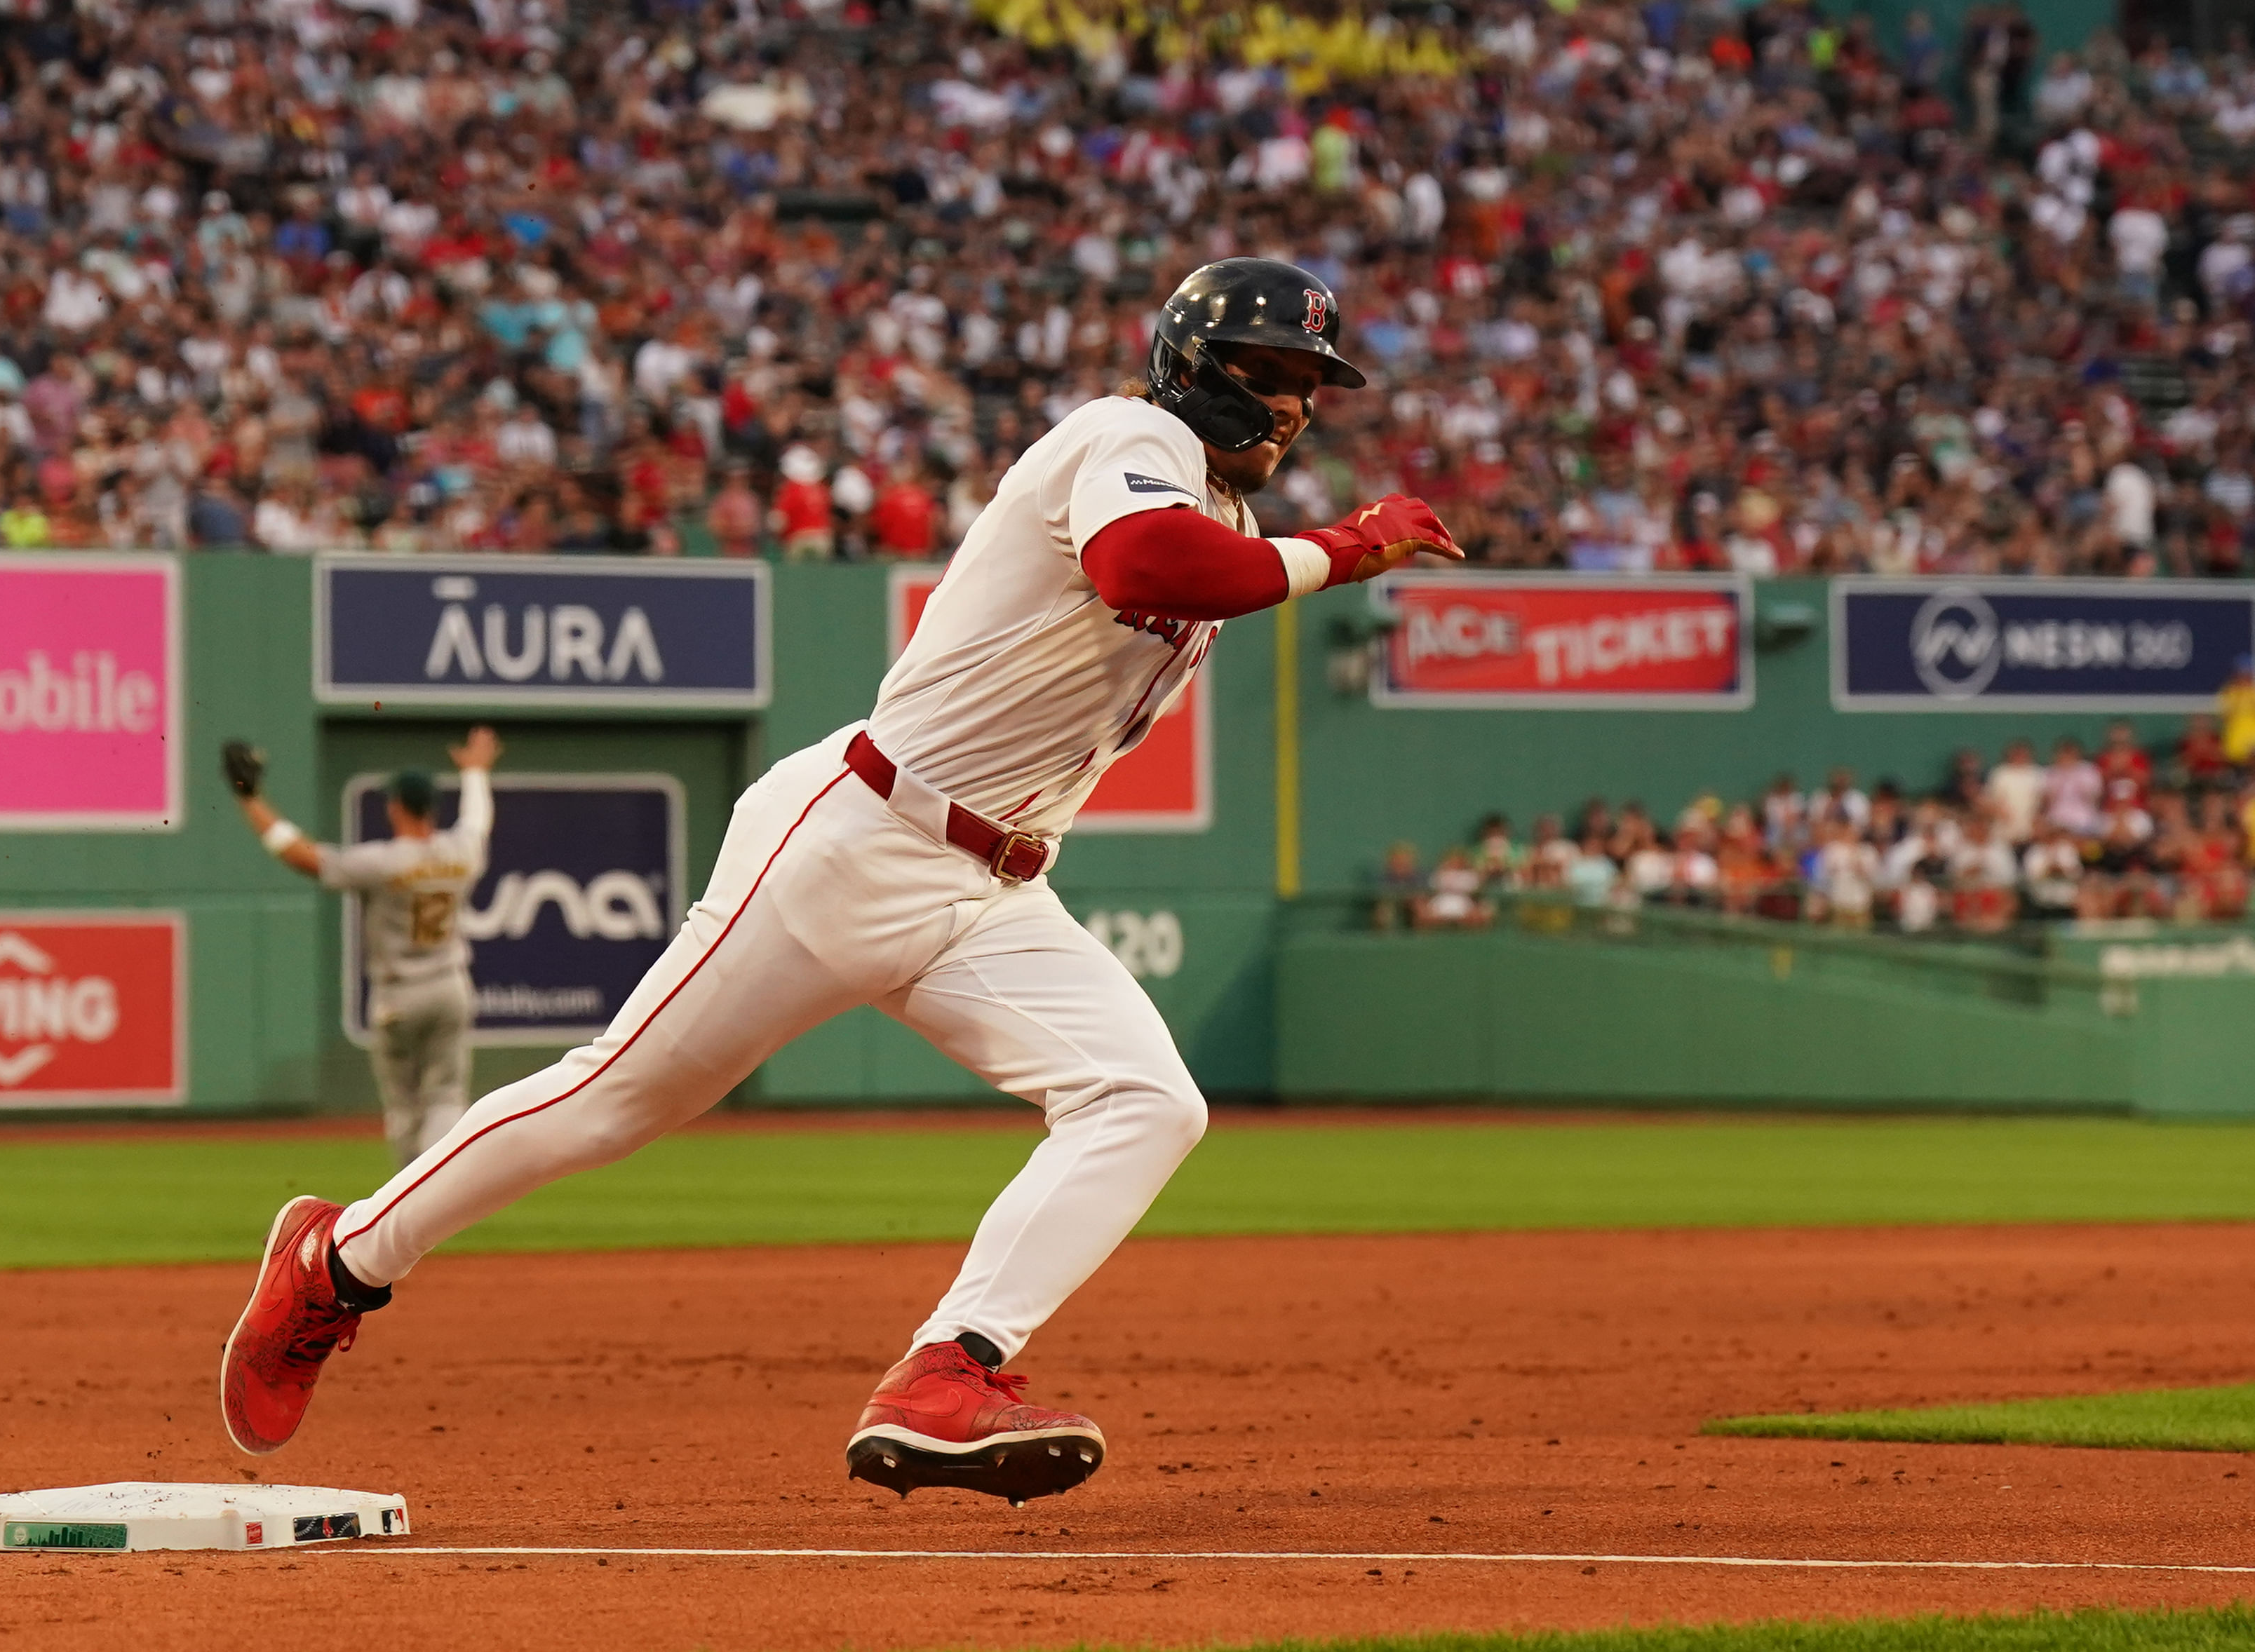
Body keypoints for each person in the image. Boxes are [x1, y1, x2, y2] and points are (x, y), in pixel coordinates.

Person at [216, 257, 1462, 1503]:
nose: (1298, 405)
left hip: (995, 885)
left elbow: (1197, 567)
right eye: (1276, 372)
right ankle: (338, 1261)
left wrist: (1307, 553)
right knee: (613, 1102)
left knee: (1145, 1101)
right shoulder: (1126, 436)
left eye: (1314, 382)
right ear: (1199, 366)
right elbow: (1141, 566)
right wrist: (1344, 552)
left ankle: (947, 1372)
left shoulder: (1233, 530)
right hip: (860, 835)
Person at [223, 728, 503, 1166]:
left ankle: (413, 1205)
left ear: (395, 807)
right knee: (447, 1098)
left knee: (405, 1109)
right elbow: (477, 820)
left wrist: (250, 799)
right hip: (450, 986)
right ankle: (443, 1186)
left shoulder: (382, 862)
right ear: (431, 807)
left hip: (399, 995)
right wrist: (475, 773)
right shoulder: (461, 852)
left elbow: (301, 856)